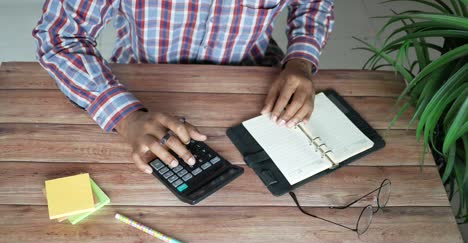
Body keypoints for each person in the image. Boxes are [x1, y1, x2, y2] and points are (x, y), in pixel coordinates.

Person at [33, 0, 335, 174]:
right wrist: (124, 117)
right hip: (140, 91)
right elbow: (59, 35)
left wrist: (301, 60)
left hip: (254, 85)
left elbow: (314, 4)